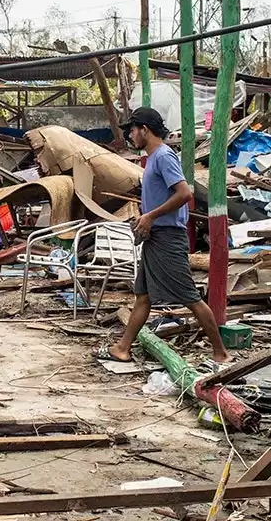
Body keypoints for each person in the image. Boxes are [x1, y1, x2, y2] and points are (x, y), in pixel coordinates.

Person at [107, 107, 232, 364]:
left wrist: (151, 216)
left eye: (132, 129)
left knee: (190, 297)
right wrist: (146, 217)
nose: (130, 135)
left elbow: (184, 193)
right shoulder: (152, 158)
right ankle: (123, 347)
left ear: (145, 129)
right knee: (143, 295)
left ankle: (221, 353)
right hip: (155, 236)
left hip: (167, 237)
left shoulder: (163, 156)